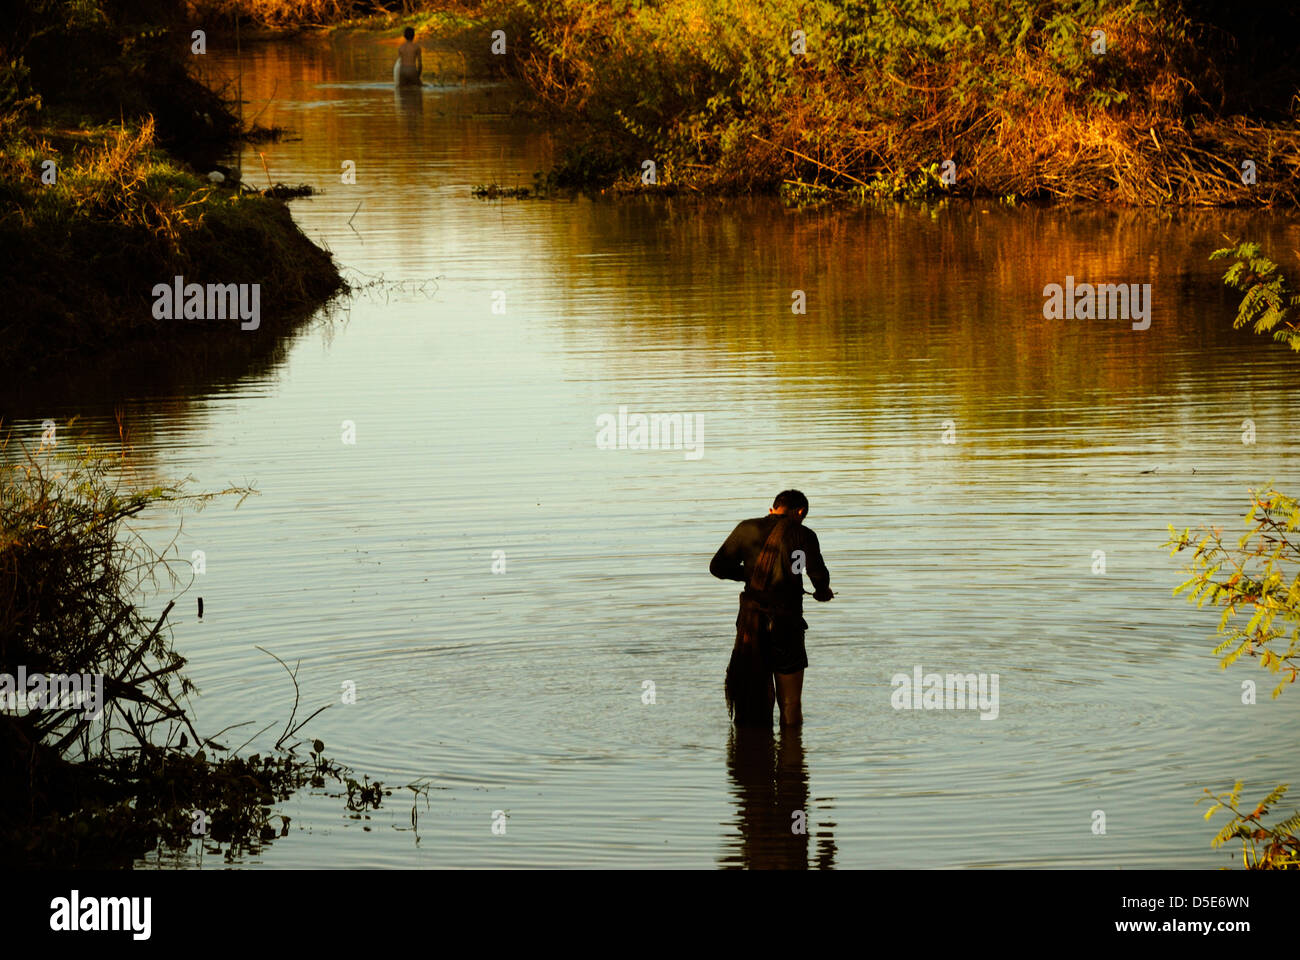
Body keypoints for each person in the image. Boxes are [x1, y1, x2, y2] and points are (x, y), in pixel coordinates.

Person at [710, 490, 832, 728]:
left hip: (751, 625)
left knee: (750, 696)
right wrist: (822, 591)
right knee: (790, 704)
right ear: (801, 512)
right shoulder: (803, 534)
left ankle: (752, 753)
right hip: (787, 623)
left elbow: (718, 567)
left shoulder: (746, 529)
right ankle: (792, 757)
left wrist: (748, 574)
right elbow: (818, 575)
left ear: (772, 509)